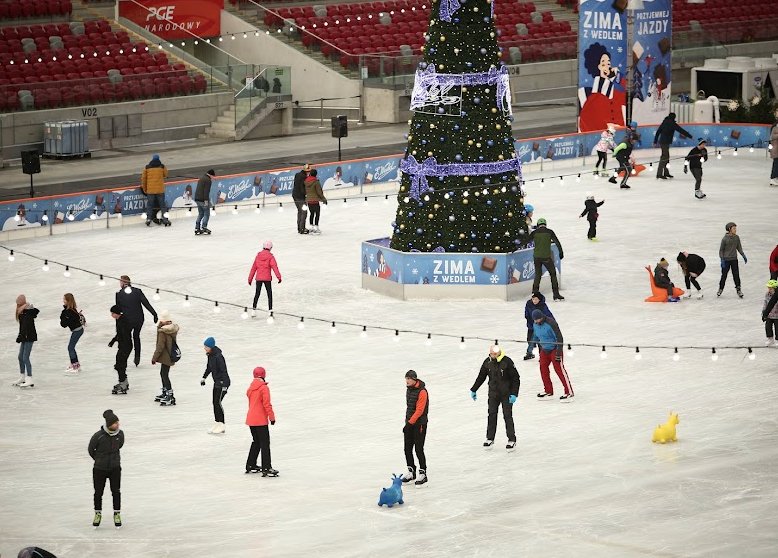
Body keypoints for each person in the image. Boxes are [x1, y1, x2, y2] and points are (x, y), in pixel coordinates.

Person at [469, 345, 520, 451]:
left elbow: (516, 378)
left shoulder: (507, 362)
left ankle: (512, 439)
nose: (493, 355)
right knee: (491, 415)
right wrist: (474, 389)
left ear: (499, 353)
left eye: (495, 354)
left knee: (507, 416)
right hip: (493, 394)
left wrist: (514, 393)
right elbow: (481, 377)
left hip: (507, 394)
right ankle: (490, 438)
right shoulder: (487, 362)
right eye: (492, 354)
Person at [88, 409, 124, 529]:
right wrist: (99, 460)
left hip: (115, 468)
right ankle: (98, 514)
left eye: (118, 422)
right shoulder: (98, 436)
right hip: (99, 469)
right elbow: (90, 449)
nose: (118, 425)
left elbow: (120, 445)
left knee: (116, 491)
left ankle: (117, 514)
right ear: (109, 424)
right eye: (116, 423)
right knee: (98, 493)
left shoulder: (120, 434)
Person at [115, 275, 157, 367]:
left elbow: (118, 311)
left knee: (127, 339)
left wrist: (118, 326)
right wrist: (154, 313)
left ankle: (125, 358)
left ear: (122, 282)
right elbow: (146, 303)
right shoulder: (137, 291)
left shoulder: (119, 294)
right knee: (136, 336)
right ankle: (137, 357)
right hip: (139, 319)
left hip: (127, 321)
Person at [531, 310, 574, 401]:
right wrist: (533, 344)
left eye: (538, 319)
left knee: (559, 370)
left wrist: (558, 352)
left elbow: (559, 338)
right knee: (543, 369)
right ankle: (548, 391)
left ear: (542, 317)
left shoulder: (551, 323)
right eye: (535, 320)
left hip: (555, 348)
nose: (537, 321)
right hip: (544, 349)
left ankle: (568, 391)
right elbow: (535, 335)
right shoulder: (535, 324)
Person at [245, 367, 278, 476]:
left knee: (256, 441)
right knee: (264, 443)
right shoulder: (263, 388)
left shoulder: (250, 388)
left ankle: (251, 464)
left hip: (251, 419)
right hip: (260, 420)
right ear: (264, 375)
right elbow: (266, 404)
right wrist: (272, 417)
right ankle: (266, 468)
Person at [402, 370, 429, 486]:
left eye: (409, 378)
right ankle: (411, 471)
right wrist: (407, 422)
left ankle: (423, 473)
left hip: (419, 425)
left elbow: (419, 410)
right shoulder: (409, 389)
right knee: (407, 449)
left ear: (414, 379)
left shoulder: (422, 392)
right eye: (406, 378)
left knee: (418, 449)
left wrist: (409, 423)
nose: (407, 381)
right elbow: (409, 408)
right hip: (409, 423)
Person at [527, 218, 564, 300]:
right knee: (553, 274)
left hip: (537, 257)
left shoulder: (534, 232)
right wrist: (561, 253)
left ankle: (535, 293)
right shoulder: (550, 232)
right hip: (546, 257)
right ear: (545, 224)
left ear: (538, 225)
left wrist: (514, 248)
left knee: (538, 275)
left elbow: (525, 241)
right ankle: (556, 294)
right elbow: (557, 242)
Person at [201, 337, 230, 434]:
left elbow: (224, 371)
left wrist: (225, 386)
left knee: (218, 403)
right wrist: (204, 377)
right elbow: (209, 367)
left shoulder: (218, 356)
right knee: (214, 403)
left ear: (211, 347)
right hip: (216, 382)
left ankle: (222, 425)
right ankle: (217, 423)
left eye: (206, 346)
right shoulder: (210, 355)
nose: (204, 348)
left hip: (222, 382)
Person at [151, 310, 179, 406]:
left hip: (166, 356)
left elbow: (160, 346)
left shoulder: (164, 331)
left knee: (164, 374)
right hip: (169, 355)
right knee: (163, 373)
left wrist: (154, 358)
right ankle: (165, 392)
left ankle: (170, 395)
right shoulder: (171, 329)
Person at [653, 112, 692, 179]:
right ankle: (659, 174)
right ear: (674, 117)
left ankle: (666, 173)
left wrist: (655, 141)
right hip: (665, 142)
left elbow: (658, 131)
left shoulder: (664, 122)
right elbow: (681, 130)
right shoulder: (672, 123)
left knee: (666, 157)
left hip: (663, 142)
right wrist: (690, 136)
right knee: (664, 157)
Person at [247, 240, 282, 316]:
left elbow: (253, 268)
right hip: (267, 278)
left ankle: (253, 310)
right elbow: (275, 267)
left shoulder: (258, 256)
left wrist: (250, 279)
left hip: (259, 278)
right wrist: (279, 277)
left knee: (257, 293)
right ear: (270, 248)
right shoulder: (270, 256)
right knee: (269, 294)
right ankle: (270, 311)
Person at [14, 294, 39, 388]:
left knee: (25, 357)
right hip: (25, 336)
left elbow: (27, 325)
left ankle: (29, 378)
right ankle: (22, 376)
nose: (17, 306)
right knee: (20, 357)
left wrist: (21, 335)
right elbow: (22, 326)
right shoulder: (22, 311)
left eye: (18, 304)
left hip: (29, 336)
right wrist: (20, 335)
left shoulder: (27, 311)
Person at [718, 222, 746, 298]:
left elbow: (739, 247)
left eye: (735, 228)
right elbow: (721, 250)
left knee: (736, 275)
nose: (735, 230)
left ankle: (738, 289)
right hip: (726, 260)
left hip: (734, 260)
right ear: (729, 229)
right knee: (724, 275)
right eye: (734, 228)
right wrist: (722, 260)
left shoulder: (737, 237)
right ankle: (720, 289)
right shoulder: (724, 239)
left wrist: (743, 255)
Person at [141, 154, 170, 226]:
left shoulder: (147, 168)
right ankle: (165, 219)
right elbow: (166, 174)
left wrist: (145, 189)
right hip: (160, 190)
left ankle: (148, 219)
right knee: (162, 205)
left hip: (150, 191)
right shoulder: (162, 166)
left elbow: (143, 179)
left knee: (150, 205)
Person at [523, 291, 554, 361]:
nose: (534, 301)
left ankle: (542, 355)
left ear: (539, 300)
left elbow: (548, 315)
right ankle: (529, 353)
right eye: (533, 299)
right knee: (530, 339)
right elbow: (526, 312)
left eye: (536, 299)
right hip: (531, 326)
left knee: (540, 341)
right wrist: (528, 318)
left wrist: (553, 323)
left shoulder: (543, 306)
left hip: (540, 326)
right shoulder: (529, 304)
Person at [109, 305, 132, 394]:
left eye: (113, 313)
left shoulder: (123, 321)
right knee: (119, 364)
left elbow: (125, 334)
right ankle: (124, 382)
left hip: (126, 346)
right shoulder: (119, 320)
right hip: (123, 346)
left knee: (120, 364)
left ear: (117, 313)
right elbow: (119, 334)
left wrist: (122, 346)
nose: (111, 315)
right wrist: (113, 340)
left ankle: (123, 383)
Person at [60, 292, 84, 375]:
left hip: (77, 330)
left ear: (67, 300)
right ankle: (75, 364)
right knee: (71, 347)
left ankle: (75, 366)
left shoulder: (69, 311)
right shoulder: (71, 309)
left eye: (64, 299)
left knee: (70, 348)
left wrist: (63, 317)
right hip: (78, 330)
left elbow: (63, 324)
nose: (63, 300)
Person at [305, 168, 327, 234]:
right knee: (317, 214)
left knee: (311, 214)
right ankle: (316, 227)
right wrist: (324, 199)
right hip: (315, 201)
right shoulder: (316, 182)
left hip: (309, 200)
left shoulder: (306, 181)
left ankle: (311, 227)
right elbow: (319, 192)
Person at [194, 169, 215, 235]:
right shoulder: (208, 180)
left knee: (200, 213)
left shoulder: (202, 178)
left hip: (197, 199)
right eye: (213, 176)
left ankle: (197, 227)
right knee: (206, 213)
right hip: (203, 199)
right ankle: (204, 227)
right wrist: (206, 201)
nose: (213, 178)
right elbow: (206, 191)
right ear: (211, 175)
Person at [292, 163, 310, 234]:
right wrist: (305, 194)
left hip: (295, 195)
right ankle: (302, 228)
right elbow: (302, 188)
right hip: (300, 197)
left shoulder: (297, 174)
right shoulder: (304, 177)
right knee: (304, 212)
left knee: (300, 211)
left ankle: (299, 228)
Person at [763, 280, 778, 346]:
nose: (769, 289)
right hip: (769, 315)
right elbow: (765, 303)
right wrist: (763, 312)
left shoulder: (776, 295)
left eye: (771, 288)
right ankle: (770, 338)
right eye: (768, 288)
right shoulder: (767, 294)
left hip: (777, 315)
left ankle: (777, 339)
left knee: (777, 328)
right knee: (768, 327)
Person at [769, 117, 778, 186]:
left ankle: (775, 177)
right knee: (776, 164)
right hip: (776, 149)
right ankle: (773, 178)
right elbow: (773, 136)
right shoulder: (775, 128)